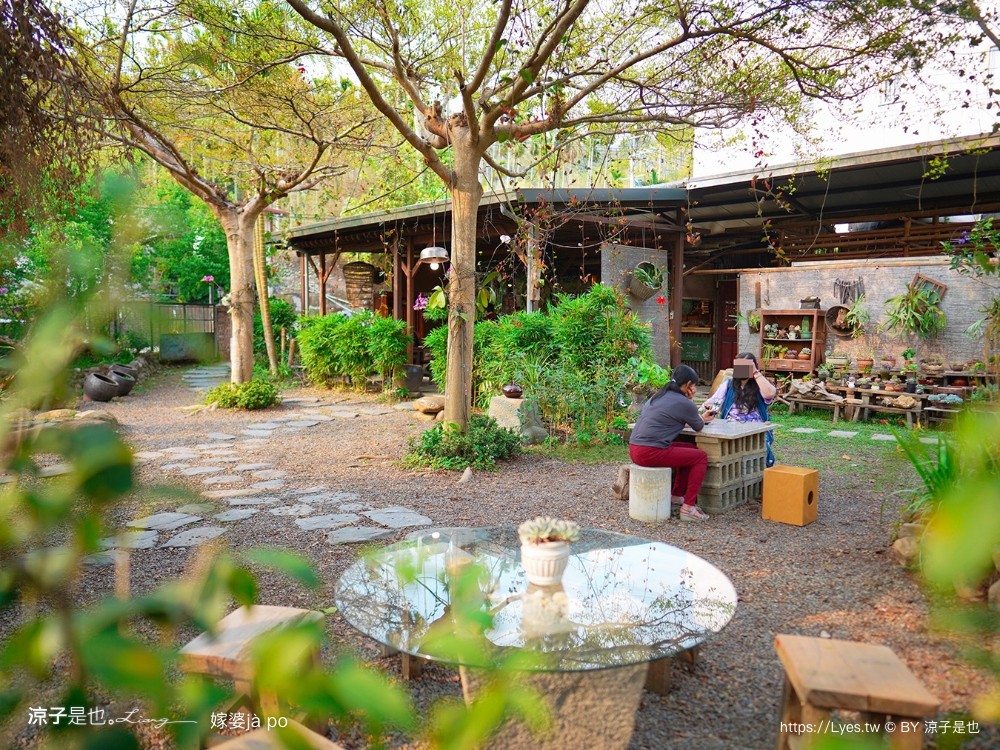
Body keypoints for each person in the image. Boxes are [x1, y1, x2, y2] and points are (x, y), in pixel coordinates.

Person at [628, 365, 714, 522]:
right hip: (650, 452)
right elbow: (699, 426)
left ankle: (676, 496)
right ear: (688, 385)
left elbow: (675, 418)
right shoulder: (684, 402)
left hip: (635, 448)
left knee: (691, 450)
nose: (694, 388)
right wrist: (692, 404)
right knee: (700, 457)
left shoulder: (657, 396)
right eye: (694, 385)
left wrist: (698, 416)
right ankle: (689, 507)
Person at [702, 352, 777, 466]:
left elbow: (770, 394)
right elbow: (713, 402)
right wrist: (706, 410)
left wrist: (755, 373)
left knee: (762, 453)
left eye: (745, 365)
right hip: (730, 426)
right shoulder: (729, 384)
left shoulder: (760, 384)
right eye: (739, 365)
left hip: (756, 427)